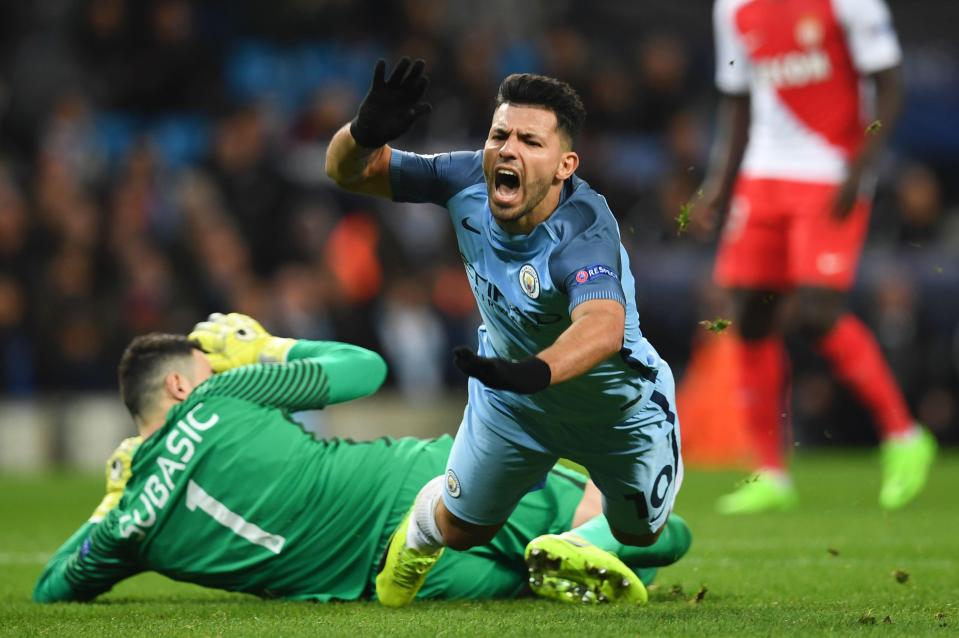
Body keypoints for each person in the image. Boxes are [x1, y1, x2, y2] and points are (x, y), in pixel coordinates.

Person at [325, 59, 690, 607]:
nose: (508, 149)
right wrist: (363, 133)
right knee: (464, 530)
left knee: (641, 533)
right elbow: (346, 172)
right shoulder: (465, 176)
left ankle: (572, 540)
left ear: (566, 164)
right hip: (512, 396)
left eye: (529, 140)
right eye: (500, 135)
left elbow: (603, 327)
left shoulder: (585, 230)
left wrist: (535, 372)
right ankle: (420, 535)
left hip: (615, 404)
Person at [33, 313, 691, 604]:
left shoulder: (127, 531)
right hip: (417, 484)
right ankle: (585, 536)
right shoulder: (221, 397)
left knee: (560, 576)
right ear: (180, 387)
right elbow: (363, 368)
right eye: (207, 365)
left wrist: (110, 508)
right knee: (657, 530)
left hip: (382, 584)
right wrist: (263, 347)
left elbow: (52, 586)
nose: (216, 369)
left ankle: (572, 547)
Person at [701, 0, 936, 514]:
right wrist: (719, 185)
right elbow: (737, 99)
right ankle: (770, 471)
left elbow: (890, 82)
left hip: (830, 170)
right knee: (749, 316)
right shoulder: (733, 8)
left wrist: (864, 163)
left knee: (816, 310)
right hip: (762, 175)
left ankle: (903, 435)